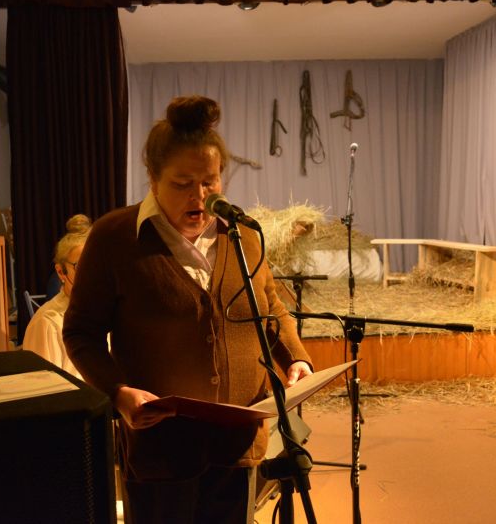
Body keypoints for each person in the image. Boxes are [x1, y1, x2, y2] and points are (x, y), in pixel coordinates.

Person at [63, 95, 313, 523]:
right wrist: (117, 392)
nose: (199, 196)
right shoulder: (114, 238)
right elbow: (80, 332)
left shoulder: (242, 235)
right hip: (161, 449)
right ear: (153, 178)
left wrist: (296, 359)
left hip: (237, 445)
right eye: (182, 183)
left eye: (210, 182)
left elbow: (270, 309)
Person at [22, 213, 91, 380]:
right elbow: (44, 388)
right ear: (61, 272)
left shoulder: (111, 311)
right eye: (81, 266)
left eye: (97, 264)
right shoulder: (48, 323)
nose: (92, 274)